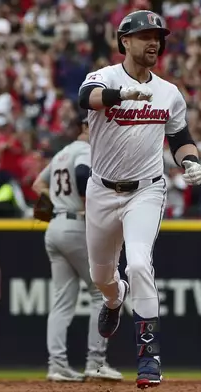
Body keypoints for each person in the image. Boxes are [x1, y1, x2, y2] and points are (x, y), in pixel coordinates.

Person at [77, 9, 201, 389]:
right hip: (101, 190)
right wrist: (120, 95)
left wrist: (192, 161)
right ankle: (114, 302)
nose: (154, 42)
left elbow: (181, 139)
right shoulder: (104, 77)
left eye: (158, 37)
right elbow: (86, 98)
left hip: (146, 189)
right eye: (145, 35)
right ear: (124, 41)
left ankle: (149, 358)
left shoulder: (168, 92)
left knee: (138, 265)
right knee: (102, 276)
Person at [32, 115, 123, 382]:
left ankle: (57, 365)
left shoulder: (62, 153)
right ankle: (96, 362)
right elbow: (83, 174)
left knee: (62, 301)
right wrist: (87, 204)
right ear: (85, 127)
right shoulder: (86, 150)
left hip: (55, 228)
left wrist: (59, 203)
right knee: (103, 294)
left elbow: (38, 184)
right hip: (76, 227)